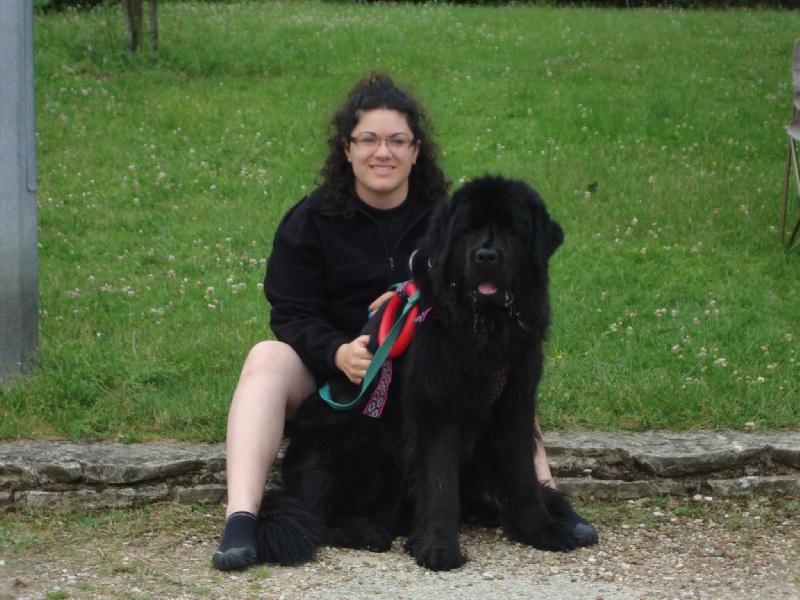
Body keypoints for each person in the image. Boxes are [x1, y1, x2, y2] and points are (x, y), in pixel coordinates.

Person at [213, 72, 596, 571]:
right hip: (341, 380)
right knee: (264, 358)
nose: (382, 152)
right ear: (346, 149)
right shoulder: (309, 221)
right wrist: (337, 350)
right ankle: (242, 515)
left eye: (397, 140)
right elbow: (290, 311)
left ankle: (540, 497)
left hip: (429, 370)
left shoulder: (450, 216)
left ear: (416, 150)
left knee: (501, 356)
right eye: (368, 139)